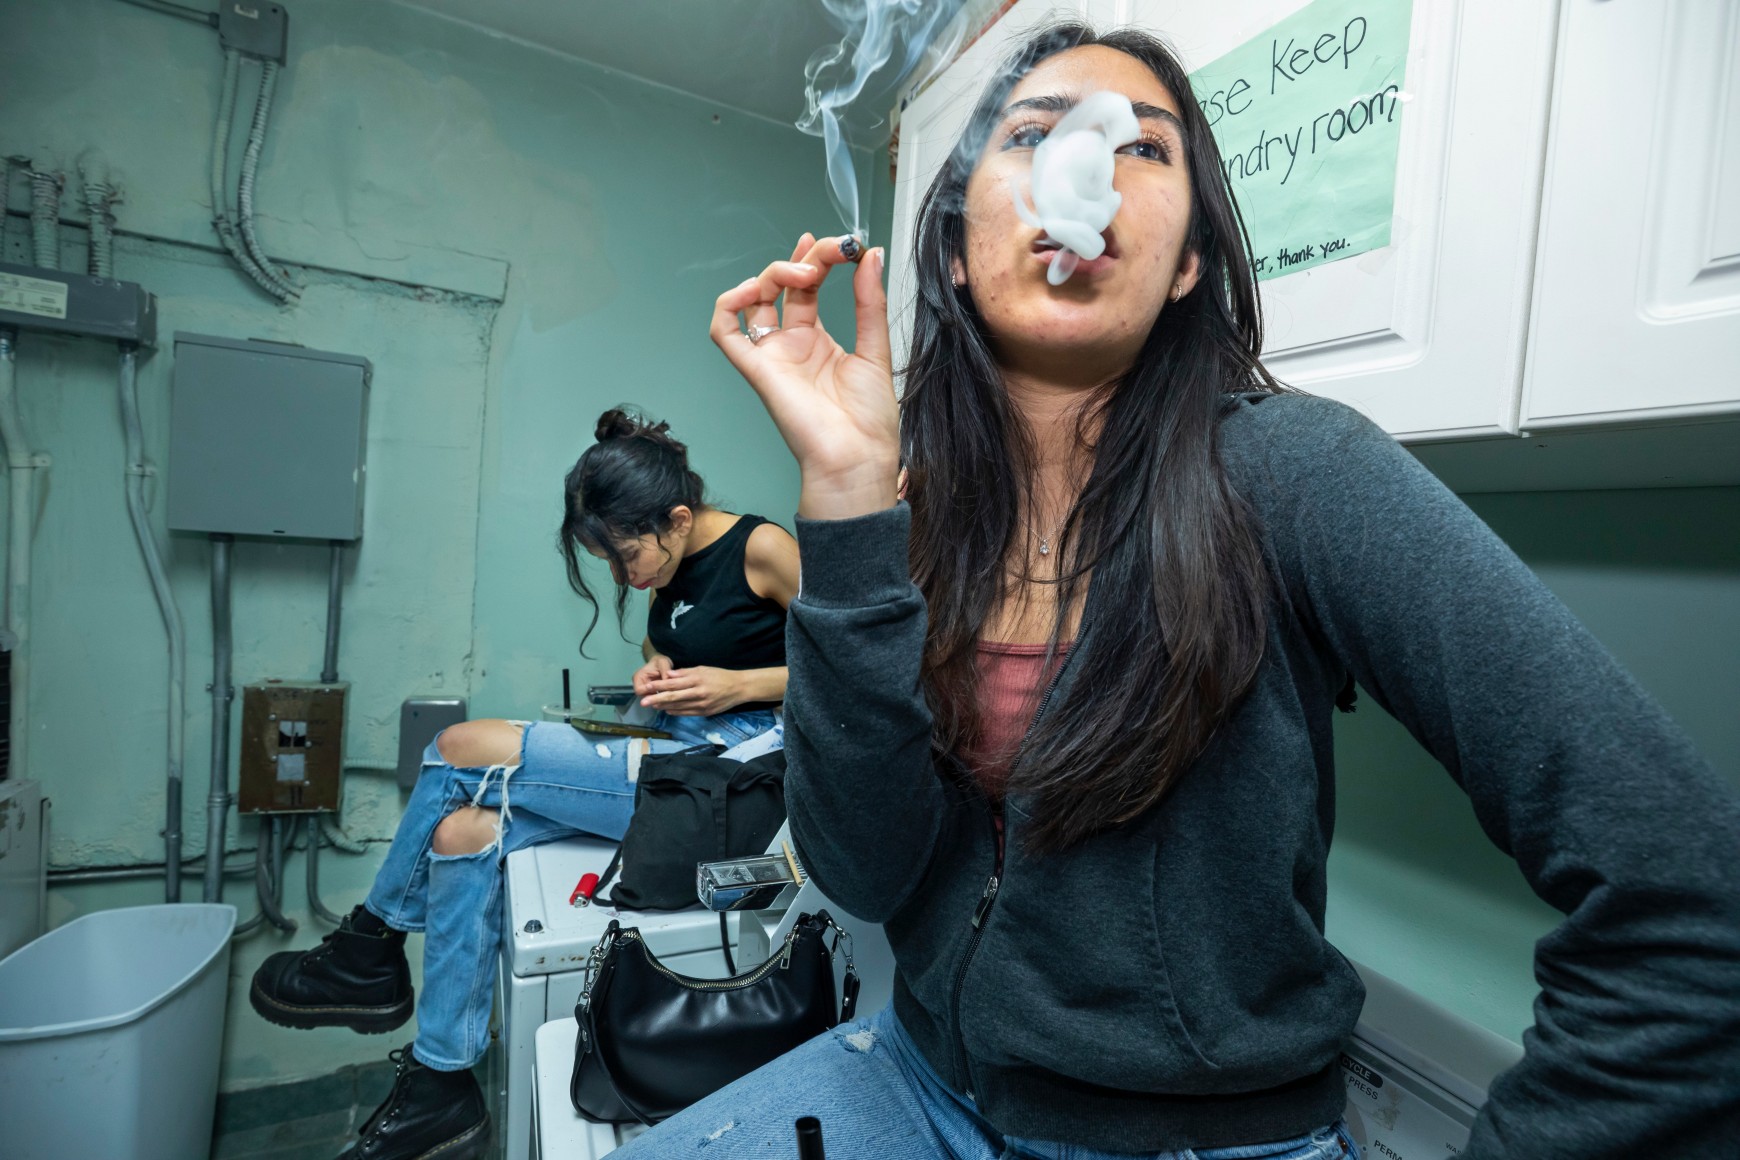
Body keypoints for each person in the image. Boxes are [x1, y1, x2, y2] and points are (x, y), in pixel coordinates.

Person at [618, 22, 1740, 1160]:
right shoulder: (920, 511)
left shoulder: (1303, 472)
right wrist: (851, 499)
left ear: (1190, 258)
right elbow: (863, 873)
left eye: (1142, 150)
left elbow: (1697, 913)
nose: (1086, 172)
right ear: (955, 248)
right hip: (913, 1078)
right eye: (1032, 135)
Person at [249, 408, 800, 1160]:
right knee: (460, 832)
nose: (621, 575)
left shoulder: (764, 548)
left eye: (626, 555)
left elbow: (857, 662)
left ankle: (370, 948)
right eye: (606, 561)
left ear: (676, 518)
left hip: (731, 777)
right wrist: (654, 667)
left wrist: (739, 687)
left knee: (458, 747)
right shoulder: (665, 562)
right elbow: (663, 636)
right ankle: (444, 1081)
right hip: (676, 747)